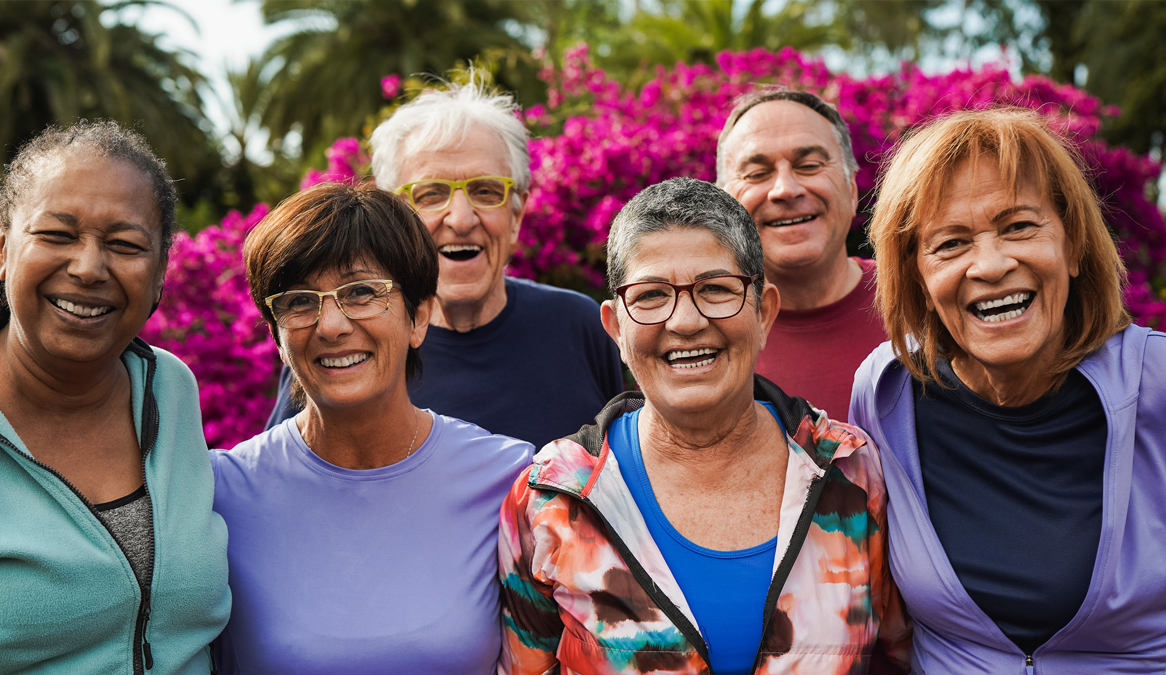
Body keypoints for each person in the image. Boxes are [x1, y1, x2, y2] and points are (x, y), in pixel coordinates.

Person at [499, 177, 909, 674]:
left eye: (715, 288)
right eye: (650, 295)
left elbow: (902, 658)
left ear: (764, 312)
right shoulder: (552, 498)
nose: (687, 321)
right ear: (615, 328)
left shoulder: (851, 472)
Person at [851, 108, 1166, 671]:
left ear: (1073, 248)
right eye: (951, 244)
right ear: (918, 280)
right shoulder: (885, 392)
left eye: (1019, 226)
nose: (991, 265)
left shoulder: (1158, 384)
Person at [211, 182, 533, 672]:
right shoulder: (222, 493)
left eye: (361, 292)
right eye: (299, 301)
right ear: (276, 334)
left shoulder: (509, 478)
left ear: (419, 316)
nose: (331, 324)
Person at [0, 121, 230, 673]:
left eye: (125, 245)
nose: (88, 267)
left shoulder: (170, 388)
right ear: (2, 246)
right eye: (57, 235)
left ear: (160, 272)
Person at [265, 77, 624, 448]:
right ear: (389, 220)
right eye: (430, 194)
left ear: (516, 215)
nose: (462, 219)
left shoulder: (577, 327)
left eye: (486, 191)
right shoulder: (341, 348)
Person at [716, 88, 886, 421]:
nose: (785, 190)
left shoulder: (922, 303)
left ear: (851, 190)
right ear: (726, 205)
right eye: (757, 174)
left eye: (808, 165)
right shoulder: (701, 332)